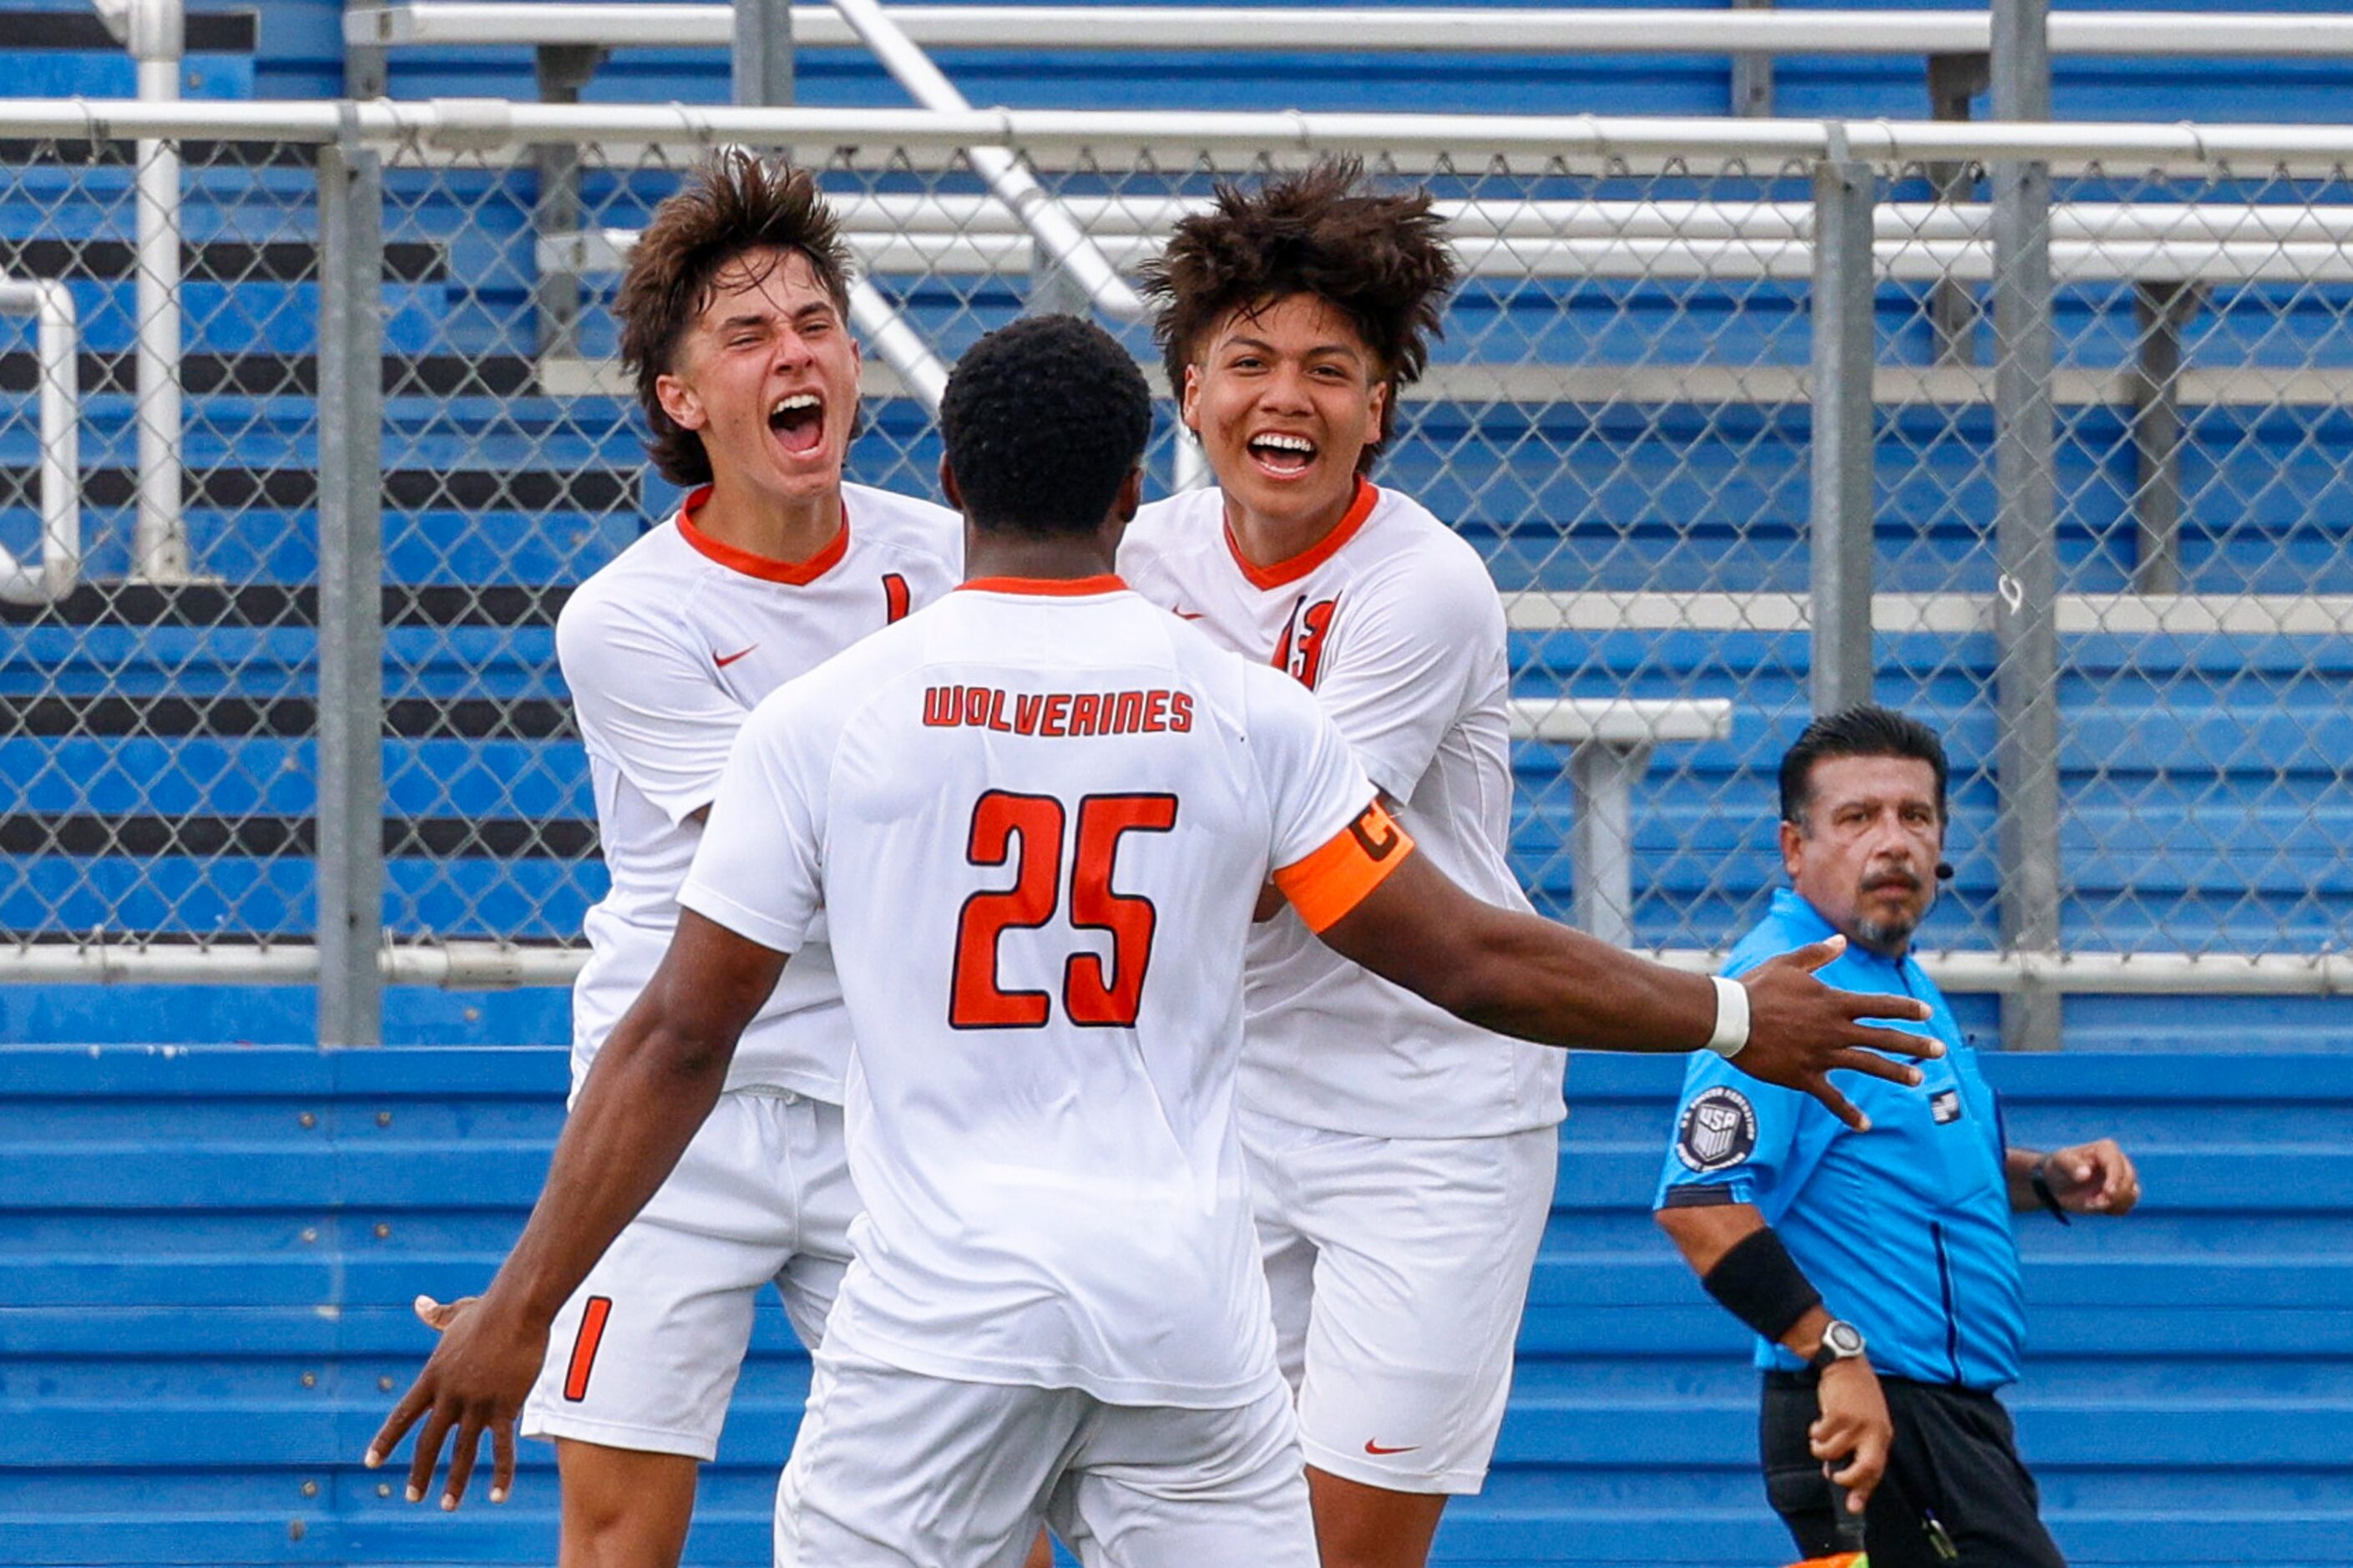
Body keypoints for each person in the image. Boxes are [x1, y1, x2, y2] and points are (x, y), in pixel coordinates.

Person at [367, 316, 1943, 1566]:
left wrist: (525, 1301)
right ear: (1136, 493)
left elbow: (677, 1034)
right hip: (1182, 1316)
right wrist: (1729, 1011)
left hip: (936, 1317)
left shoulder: (824, 719)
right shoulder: (1247, 715)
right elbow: (1465, 954)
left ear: (949, 492)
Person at [499, 151, 963, 1568]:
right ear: (681, 401)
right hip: (676, 1109)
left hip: (893, 1103)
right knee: (621, 1527)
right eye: (747, 334)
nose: (795, 352)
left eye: (816, 322)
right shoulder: (627, 616)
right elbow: (788, 863)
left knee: (972, 1515)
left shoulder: (954, 561)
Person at [1120, 155, 1555, 1566]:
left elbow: (1283, 865)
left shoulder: (1418, 586)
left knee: (1346, 1546)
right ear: (1189, 389)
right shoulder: (1131, 559)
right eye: (1246, 359)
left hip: (1426, 1119)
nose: (1283, 397)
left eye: (1328, 367)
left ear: (1378, 406)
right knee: (1178, 1517)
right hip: (1224, 1106)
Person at [1652, 706, 2143, 1568]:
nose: (1894, 843)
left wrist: (2044, 1179)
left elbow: (1896, 1167)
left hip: (1950, 1425)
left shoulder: (1892, 970)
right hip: (1876, 1413)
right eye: (1856, 817)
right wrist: (1836, 1354)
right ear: (1793, 847)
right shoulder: (1786, 991)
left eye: (1914, 817)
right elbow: (1700, 1205)